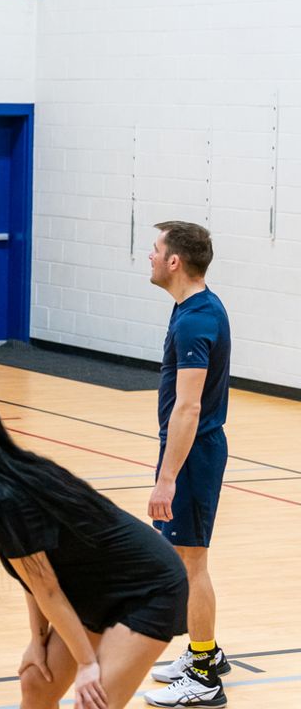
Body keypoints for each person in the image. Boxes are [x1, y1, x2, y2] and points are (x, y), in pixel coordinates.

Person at [0, 392, 189, 709]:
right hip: (94, 589)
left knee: (94, 703)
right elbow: (36, 576)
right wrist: (37, 641)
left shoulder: (6, 493)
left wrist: (86, 664)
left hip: (149, 588)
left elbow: (46, 588)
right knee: (37, 682)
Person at [142, 221, 232, 708]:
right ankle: (208, 653)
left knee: (191, 564)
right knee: (185, 562)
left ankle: (204, 677)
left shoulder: (197, 318)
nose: (149, 257)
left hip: (193, 456)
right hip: (190, 452)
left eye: (155, 250)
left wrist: (167, 479)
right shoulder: (193, 309)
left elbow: (189, 407)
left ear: (175, 261)